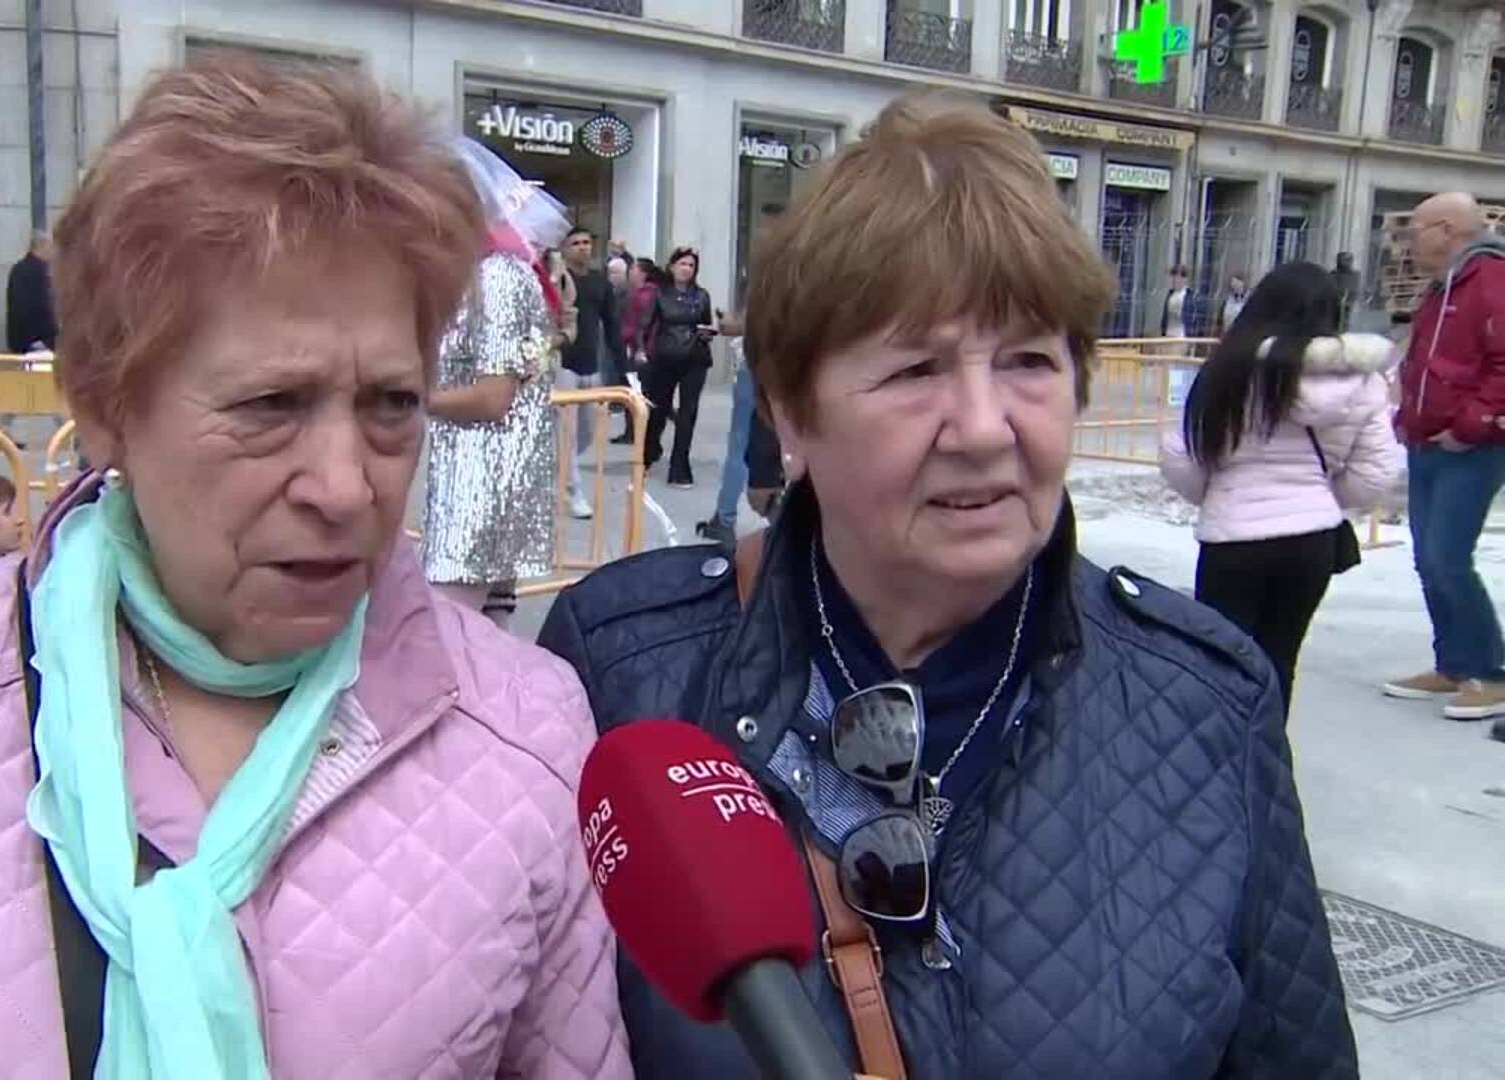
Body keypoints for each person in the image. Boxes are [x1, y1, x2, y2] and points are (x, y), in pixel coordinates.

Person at [0, 55, 625, 1077]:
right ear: (102, 407)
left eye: (391, 405)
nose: (347, 487)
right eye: (272, 406)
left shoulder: (527, 731)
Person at [538, 93, 1355, 1079]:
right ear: (792, 414)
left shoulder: (1207, 701)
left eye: (1027, 362)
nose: (981, 426)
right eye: (916, 369)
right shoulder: (622, 667)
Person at [1161, 262, 1403, 708]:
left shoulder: (1226, 373)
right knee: (1279, 658)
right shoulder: (1362, 382)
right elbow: (1376, 470)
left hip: (1231, 537)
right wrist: (1321, 499)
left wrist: (1217, 494)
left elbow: (1181, 455)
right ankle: (1268, 762)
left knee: (1219, 662)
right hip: (1311, 542)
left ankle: (1219, 763)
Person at [421, 138, 568, 628]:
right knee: (486, 630)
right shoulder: (476, 275)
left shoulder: (499, 277)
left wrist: (410, 400)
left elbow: (492, 397)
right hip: (476, 477)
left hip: (483, 483)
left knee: (449, 636)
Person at [1382, 191, 1505, 727]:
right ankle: (1454, 663)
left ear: (1449, 230)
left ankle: (1491, 672)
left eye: (1418, 230)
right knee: (1428, 558)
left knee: (1449, 558)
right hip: (1427, 440)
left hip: (1470, 447)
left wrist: (1471, 425)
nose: (1409, 242)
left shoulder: (1491, 282)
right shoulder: (1444, 284)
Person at [558, 228, 624, 519]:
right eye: (576, 243)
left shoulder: (600, 283)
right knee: (568, 433)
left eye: (587, 242)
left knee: (588, 431)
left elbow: (612, 326)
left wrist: (624, 369)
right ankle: (574, 491)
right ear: (565, 247)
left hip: (591, 366)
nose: (583, 247)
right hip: (562, 365)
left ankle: (559, 464)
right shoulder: (557, 279)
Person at [640, 247, 716, 486]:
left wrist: (707, 333)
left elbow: (706, 323)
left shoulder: (701, 295)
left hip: (695, 358)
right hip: (665, 357)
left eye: (691, 265)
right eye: (682, 264)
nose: (686, 269)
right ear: (672, 267)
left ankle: (680, 465)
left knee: (688, 413)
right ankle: (648, 452)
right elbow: (647, 324)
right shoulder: (660, 294)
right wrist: (641, 351)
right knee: (658, 409)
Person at [0, 230, 60, 447]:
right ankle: (70, 432)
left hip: (28, 339)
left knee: (26, 385)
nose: (54, 251)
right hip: (36, 340)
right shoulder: (35, 272)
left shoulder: (23, 269)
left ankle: (2, 427)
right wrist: (39, 337)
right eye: (50, 246)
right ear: (40, 247)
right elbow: (36, 307)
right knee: (50, 385)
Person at [697, 308, 749, 545]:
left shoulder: (771, 281)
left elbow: (738, 325)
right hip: (795, 373)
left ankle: (725, 519)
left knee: (740, 445)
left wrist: (725, 321)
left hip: (759, 370)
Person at [1156, 263, 1196, 338]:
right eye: (1173, 277)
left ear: (1184, 279)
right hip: (1168, 334)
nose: (1174, 280)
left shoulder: (1189, 296)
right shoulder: (1170, 295)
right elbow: (1165, 316)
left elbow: (1192, 320)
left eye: (1177, 277)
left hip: (1181, 335)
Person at [1217, 270, 1249, 335]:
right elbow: (1219, 319)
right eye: (1233, 283)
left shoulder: (1248, 299)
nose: (1234, 285)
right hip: (1227, 332)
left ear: (1242, 283)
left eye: (1236, 283)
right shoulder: (1227, 300)